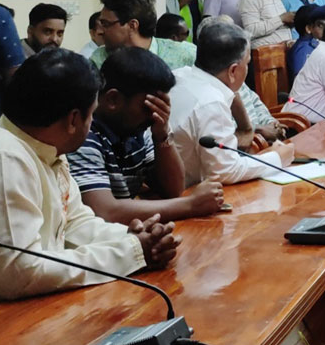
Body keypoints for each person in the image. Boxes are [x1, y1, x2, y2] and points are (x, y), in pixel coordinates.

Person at [0, 49, 179, 317]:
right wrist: (130, 252)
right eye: (91, 115)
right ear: (73, 120)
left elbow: (74, 224)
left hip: (17, 305)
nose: (92, 123)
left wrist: (133, 239)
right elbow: (18, 273)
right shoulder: (0, 159)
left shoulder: (43, 145)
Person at [68, 48, 225, 224]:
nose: (155, 115)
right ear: (113, 100)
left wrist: (162, 135)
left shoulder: (137, 130)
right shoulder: (84, 136)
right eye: (148, 107)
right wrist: (190, 205)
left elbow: (173, 190)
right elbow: (104, 212)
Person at [167, 23, 294, 186]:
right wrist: (277, 158)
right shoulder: (211, 102)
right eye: (247, 64)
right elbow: (224, 171)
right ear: (233, 71)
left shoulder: (180, 75)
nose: (246, 70)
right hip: (190, 192)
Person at [90, 0, 196, 70]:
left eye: (105, 24)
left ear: (132, 25)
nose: (99, 31)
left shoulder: (185, 55)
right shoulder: (100, 59)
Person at [288, 3, 325, 82]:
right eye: (321, 25)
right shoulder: (303, 50)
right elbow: (302, 83)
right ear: (309, 29)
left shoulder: (319, 45)